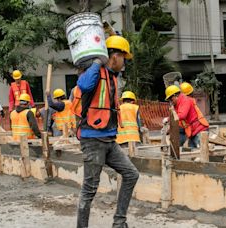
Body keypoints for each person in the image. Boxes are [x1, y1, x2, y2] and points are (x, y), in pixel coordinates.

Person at [76, 35, 139, 228]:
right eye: (123, 58)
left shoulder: (112, 77)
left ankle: (119, 223)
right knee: (89, 190)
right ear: (114, 56)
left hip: (109, 140)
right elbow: (84, 85)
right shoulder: (95, 72)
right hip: (93, 140)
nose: (124, 63)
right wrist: (97, 61)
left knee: (131, 174)